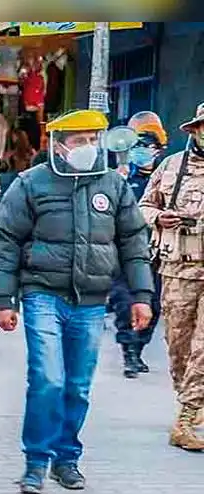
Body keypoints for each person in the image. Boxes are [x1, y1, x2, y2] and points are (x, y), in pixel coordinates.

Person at [0, 110, 153, 494]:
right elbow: (5, 239)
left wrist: (141, 296)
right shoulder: (31, 183)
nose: (88, 147)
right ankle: (35, 461)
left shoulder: (112, 184)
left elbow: (133, 241)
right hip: (42, 294)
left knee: (78, 385)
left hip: (92, 301)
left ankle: (67, 458)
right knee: (47, 378)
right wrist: (3, 298)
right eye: (79, 140)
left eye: (93, 140)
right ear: (59, 145)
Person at [138, 103, 204, 451]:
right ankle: (188, 402)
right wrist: (159, 217)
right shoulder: (171, 167)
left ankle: (188, 417)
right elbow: (143, 206)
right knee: (179, 345)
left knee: (203, 347)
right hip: (178, 268)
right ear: (194, 130)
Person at [111, 111, 166, 379]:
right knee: (125, 303)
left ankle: (140, 346)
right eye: (139, 146)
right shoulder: (119, 180)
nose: (144, 151)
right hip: (123, 255)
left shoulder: (168, 180)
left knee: (153, 306)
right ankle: (128, 352)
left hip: (156, 254)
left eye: (150, 147)